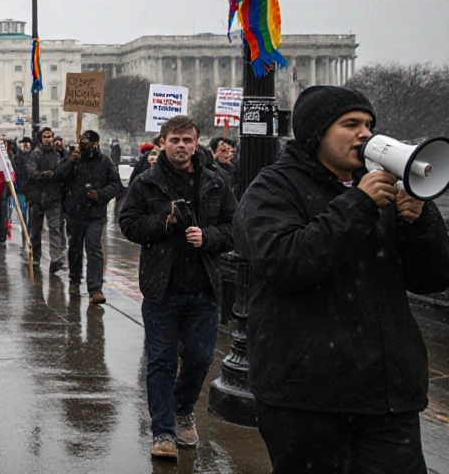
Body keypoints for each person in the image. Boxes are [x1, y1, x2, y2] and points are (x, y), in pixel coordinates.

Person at [235, 86, 449, 472]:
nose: (364, 133)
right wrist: (359, 205)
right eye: (350, 124)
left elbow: (431, 277)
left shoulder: (382, 187)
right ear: (316, 133)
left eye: (369, 124)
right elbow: (286, 262)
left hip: (386, 395)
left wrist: (420, 222)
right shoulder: (273, 188)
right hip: (307, 397)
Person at [118, 116, 237, 459]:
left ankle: (183, 408)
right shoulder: (146, 183)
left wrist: (209, 237)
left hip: (204, 287)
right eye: (175, 140)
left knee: (200, 359)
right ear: (163, 142)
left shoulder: (216, 181)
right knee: (161, 361)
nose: (181, 146)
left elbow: (234, 227)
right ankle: (163, 430)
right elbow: (129, 225)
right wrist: (165, 221)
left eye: (187, 140)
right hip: (162, 288)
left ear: (197, 143)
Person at [55, 129, 121, 304]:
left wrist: (99, 194)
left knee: (94, 248)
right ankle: (75, 281)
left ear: (95, 143)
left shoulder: (105, 161)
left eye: (87, 140)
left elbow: (115, 184)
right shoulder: (73, 159)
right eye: (82, 139)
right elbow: (58, 177)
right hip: (75, 213)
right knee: (75, 249)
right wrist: (70, 162)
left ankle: (95, 288)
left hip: (95, 214)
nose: (83, 142)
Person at [24, 127, 65, 272]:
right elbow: (31, 171)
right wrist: (43, 175)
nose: (48, 139)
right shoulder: (35, 154)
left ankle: (55, 258)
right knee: (36, 229)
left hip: (53, 197)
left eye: (50, 136)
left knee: (55, 229)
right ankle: (36, 257)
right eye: (45, 136)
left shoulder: (57, 155)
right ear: (41, 138)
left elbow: (62, 172)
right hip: (37, 197)